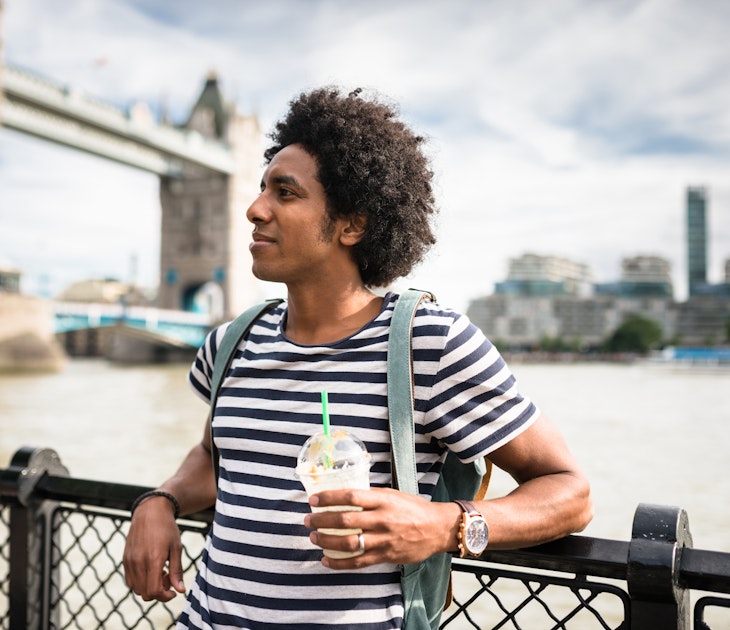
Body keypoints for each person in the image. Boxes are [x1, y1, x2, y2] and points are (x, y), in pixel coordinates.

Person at [123, 86, 593, 629]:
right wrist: (161, 500)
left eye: (286, 193)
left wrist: (446, 527)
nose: (255, 209)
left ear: (352, 225)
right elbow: (214, 457)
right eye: (260, 189)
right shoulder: (230, 342)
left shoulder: (428, 344)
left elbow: (570, 492)